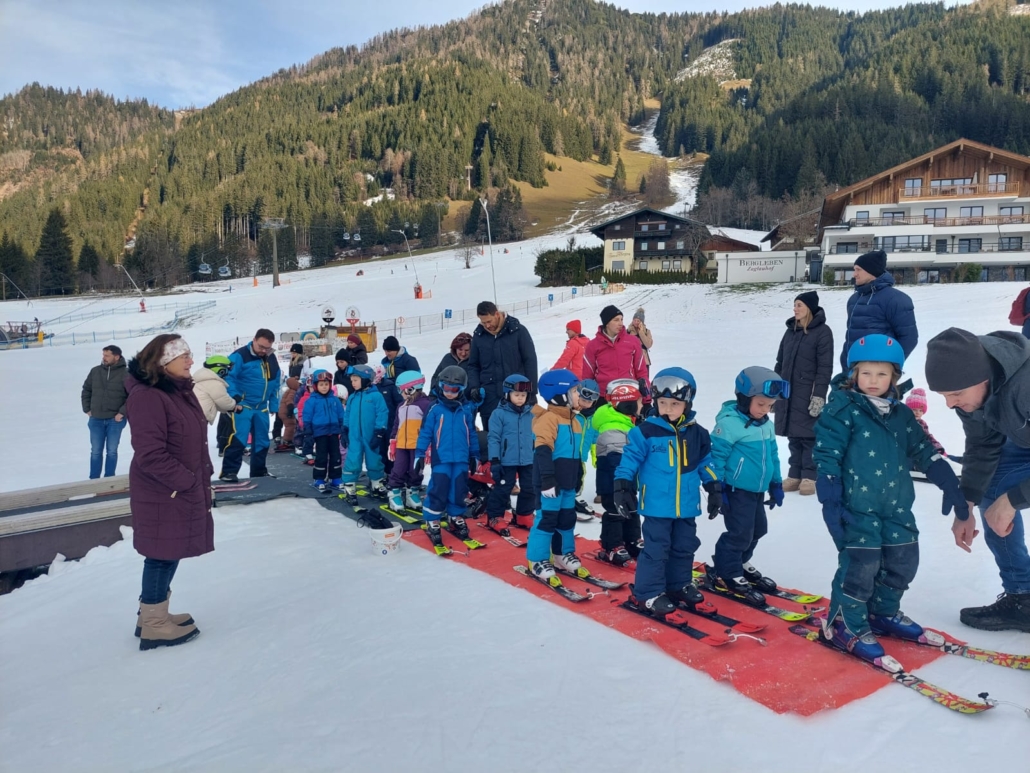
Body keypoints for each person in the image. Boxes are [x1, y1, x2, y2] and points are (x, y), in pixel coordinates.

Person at [815, 335, 967, 661]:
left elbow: (924, 450)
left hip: (897, 506)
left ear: (894, 377)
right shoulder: (842, 409)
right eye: (866, 373)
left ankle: (882, 613)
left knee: (904, 560)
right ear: (854, 374)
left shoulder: (901, 414)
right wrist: (830, 500)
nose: (873, 380)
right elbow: (827, 455)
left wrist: (949, 484)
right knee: (861, 566)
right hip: (856, 507)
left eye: (882, 374)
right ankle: (844, 625)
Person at [925, 328, 1030, 632]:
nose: (950, 404)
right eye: (944, 396)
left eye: (956, 394)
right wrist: (967, 502)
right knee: (991, 488)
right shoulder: (973, 388)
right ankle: (1023, 598)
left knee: (1005, 498)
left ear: (983, 379)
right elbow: (983, 445)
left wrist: (1013, 500)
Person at [124, 333, 209, 651]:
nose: (191, 361)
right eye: (184, 356)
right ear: (163, 362)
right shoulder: (148, 397)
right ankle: (154, 624)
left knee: (168, 551)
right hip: (164, 491)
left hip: (174, 489)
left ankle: (152, 614)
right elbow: (150, 454)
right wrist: (187, 482)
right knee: (161, 555)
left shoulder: (176, 391)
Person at [614, 368, 719, 616]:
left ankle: (678, 585)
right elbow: (629, 460)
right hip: (657, 506)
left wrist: (714, 487)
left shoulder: (698, 434)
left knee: (684, 546)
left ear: (687, 404)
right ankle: (647, 593)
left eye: (675, 404)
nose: (668, 409)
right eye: (662, 403)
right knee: (656, 550)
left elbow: (706, 463)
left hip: (687, 505)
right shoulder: (645, 432)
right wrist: (622, 486)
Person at [709, 366, 787, 606]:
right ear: (744, 398)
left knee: (758, 530)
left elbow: (773, 455)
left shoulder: (765, 425)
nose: (765, 410)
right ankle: (726, 571)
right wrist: (717, 487)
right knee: (739, 533)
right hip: (735, 490)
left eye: (770, 405)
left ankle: (740, 562)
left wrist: (776, 483)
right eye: (761, 404)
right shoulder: (729, 425)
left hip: (757, 490)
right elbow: (716, 457)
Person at [414, 366, 481, 554]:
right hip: (441, 458)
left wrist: (474, 455)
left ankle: (455, 515)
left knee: (459, 488)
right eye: (446, 388)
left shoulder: (465, 410)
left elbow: (471, 433)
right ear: (440, 386)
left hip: (461, 458)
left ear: (462, 389)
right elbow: (425, 432)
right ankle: (432, 518)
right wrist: (419, 454)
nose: (449, 393)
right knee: (439, 487)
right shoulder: (434, 408)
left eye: (454, 390)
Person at [525, 369, 583, 583]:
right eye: (574, 391)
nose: (578, 395)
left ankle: (562, 554)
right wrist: (548, 479)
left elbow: (575, 454)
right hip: (549, 482)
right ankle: (537, 559)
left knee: (567, 518)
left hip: (567, 482)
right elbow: (542, 451)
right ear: (560, 395)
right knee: (547, 519)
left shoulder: (575, 421)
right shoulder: (548, 419)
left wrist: (578, 476)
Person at [774, 291, 834, 496]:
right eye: (794, 305)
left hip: (808, 391)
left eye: (799, 305)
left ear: (809, 307)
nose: (795, 309)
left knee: (808, 436)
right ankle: (794, 475)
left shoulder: (823, 332)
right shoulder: (790, 331)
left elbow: (825, 368)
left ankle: (809, 476)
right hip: (788, 392)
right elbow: (780, 362)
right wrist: (775, 390)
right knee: (793, 435)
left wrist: (819, 395)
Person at [592, 379, 644, 566]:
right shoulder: (613, 427)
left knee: (632, 508)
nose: (642, 405)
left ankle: (632, 541)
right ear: (628, 404)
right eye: (639, 402)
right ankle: (611, 546)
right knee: (615, 511)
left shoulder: (627, 423)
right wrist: (622, 482)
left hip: (627, 482)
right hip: (612, 483)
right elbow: (617, 458)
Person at [839, 249, 918, 371]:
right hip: (852, 370)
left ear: (872, 271)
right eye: (854, 270)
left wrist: (890, 368)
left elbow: (909, 338)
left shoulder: (895, 299)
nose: (854, 274)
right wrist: (846, 363)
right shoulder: (854, 299)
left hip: (878, 373)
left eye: (858, 270)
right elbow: (851, 335)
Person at [220, 329, 280, 482]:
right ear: (254, 340)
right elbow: (228, 378)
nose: (263, 351)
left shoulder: (271, 357)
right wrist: (235, 398)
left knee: (262, 441)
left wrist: (274, 404)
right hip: (243, 405)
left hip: (262, 407)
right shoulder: (239, 356)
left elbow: (275, 381)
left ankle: (259, 471)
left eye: (267, 348)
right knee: (239, 438)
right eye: (261, 347)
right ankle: (229, 472)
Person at [468, 301, 538, 427]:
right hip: (489, 398)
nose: (487, 325)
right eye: (483, 322)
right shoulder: (479, 336)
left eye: (489, 321)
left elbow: (530, 361)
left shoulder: (518, 331)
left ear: (496, 314)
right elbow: (473, 365)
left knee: (518, 433)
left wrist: (531, 392)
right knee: (491, 435)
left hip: (516, 394)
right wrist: (474, 387)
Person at [485, 374, 537, 534]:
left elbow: (536, 435)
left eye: (523, 395)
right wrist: (494, 460)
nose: (520, 398)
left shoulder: (532, 413)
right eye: (516, 395)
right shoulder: (499, 414)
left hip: (528, 459)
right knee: (503, 488)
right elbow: (493, 438)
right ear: (507, 394)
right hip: (506, 460)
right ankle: (495, 516)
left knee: (530, 487)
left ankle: (524, 514)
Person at [339, 364, 389, 503]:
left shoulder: (376, 396)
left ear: (366, 379)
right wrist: (345, 429)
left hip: (371, 435)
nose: (352, 383)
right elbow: (347, 415)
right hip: (354, 436)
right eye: (352, 380)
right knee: (353, 460)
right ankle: (349, 486)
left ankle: (376, 484)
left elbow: (382, 413)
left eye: (355, 380)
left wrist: (379, 432)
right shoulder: (352, 398)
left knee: (374, 459)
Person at [81, 344, 129, 479]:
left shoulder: (126, 374)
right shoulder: (95, 371)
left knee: (112, 451)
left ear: (116, 357)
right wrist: (87, 409)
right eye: (103, 355)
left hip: (115, 420)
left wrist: (122, 412)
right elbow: (86, 390)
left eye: (107, 355)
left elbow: (133, 396)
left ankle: (109, 481)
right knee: (95, 452)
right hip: (96, 419)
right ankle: (94, 480)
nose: (104, 358)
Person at [387, 370, 432, 512]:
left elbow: (429, 426)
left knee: (416, 471)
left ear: (410, 389)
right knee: (398, 469)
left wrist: (429, 444)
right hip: (401, 445)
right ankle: (394, 493)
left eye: (401, 390)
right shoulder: (401, 406)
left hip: (417, 446)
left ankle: (412, 493)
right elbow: (396, 425)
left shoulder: (425, 405)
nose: (400, 393)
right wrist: (393, 441)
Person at [583, 304, 650, 399]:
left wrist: (647, 399)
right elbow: (587, 376)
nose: (621, 323)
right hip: (603, 397)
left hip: (629, 395)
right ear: (607, 323)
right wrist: (586, 399)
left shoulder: (633, 341)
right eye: (616, 320)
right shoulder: (593, 345)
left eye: (621, 319)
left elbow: (641, 372)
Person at [303, 370, 346, 492]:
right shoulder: (312, 401)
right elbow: (307, 416)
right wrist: (308, 430)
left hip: (334, 432)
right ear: (315, 386)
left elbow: (341, 415)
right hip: (320, 432)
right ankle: (319, 479)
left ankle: (335, 478)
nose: (324, 387)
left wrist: (343, 428)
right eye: (321, 385)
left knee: (336, 456)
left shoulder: (335, 400)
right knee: (321, 456)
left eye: (326, 384)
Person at [192, 355, 239, 425]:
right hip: (200, 418)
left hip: (194, 415)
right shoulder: (215, 383)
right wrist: (235, 404)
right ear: (221, 371)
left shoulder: (202, 379)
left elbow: (217, 402)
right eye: (228, 369)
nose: (228, 372)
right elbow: (224, 402)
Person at [903, 388, 945, 456]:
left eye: (920, 410)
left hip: (920, 452)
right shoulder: (903, 422)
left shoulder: (922, 423)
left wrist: (937, 446)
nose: (917, 413)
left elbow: (928, 436)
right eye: (914, 410)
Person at [276, 377, 302, 449]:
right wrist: (290, 410)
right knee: (290, 425)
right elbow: (289, 400)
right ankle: (287, 441)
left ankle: (289, 440)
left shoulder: (289, 390)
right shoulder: (292, 391)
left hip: (282, 411)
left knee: (290, 425)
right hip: (286, 411)